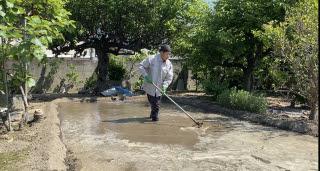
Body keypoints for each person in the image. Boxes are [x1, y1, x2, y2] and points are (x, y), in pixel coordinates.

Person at [138, 44, 174, 121]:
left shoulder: (169, 64)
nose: (168, 56)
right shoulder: (151, 59)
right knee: (154, 103)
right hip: (150, 86)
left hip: (160, 88)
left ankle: (154, 114)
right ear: (161, 52)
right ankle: (154, 116)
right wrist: (146, 75)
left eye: (169, 54)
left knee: (156, 104)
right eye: (167, 54)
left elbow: (169, 77)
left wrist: (165, 86)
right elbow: (140, 66)